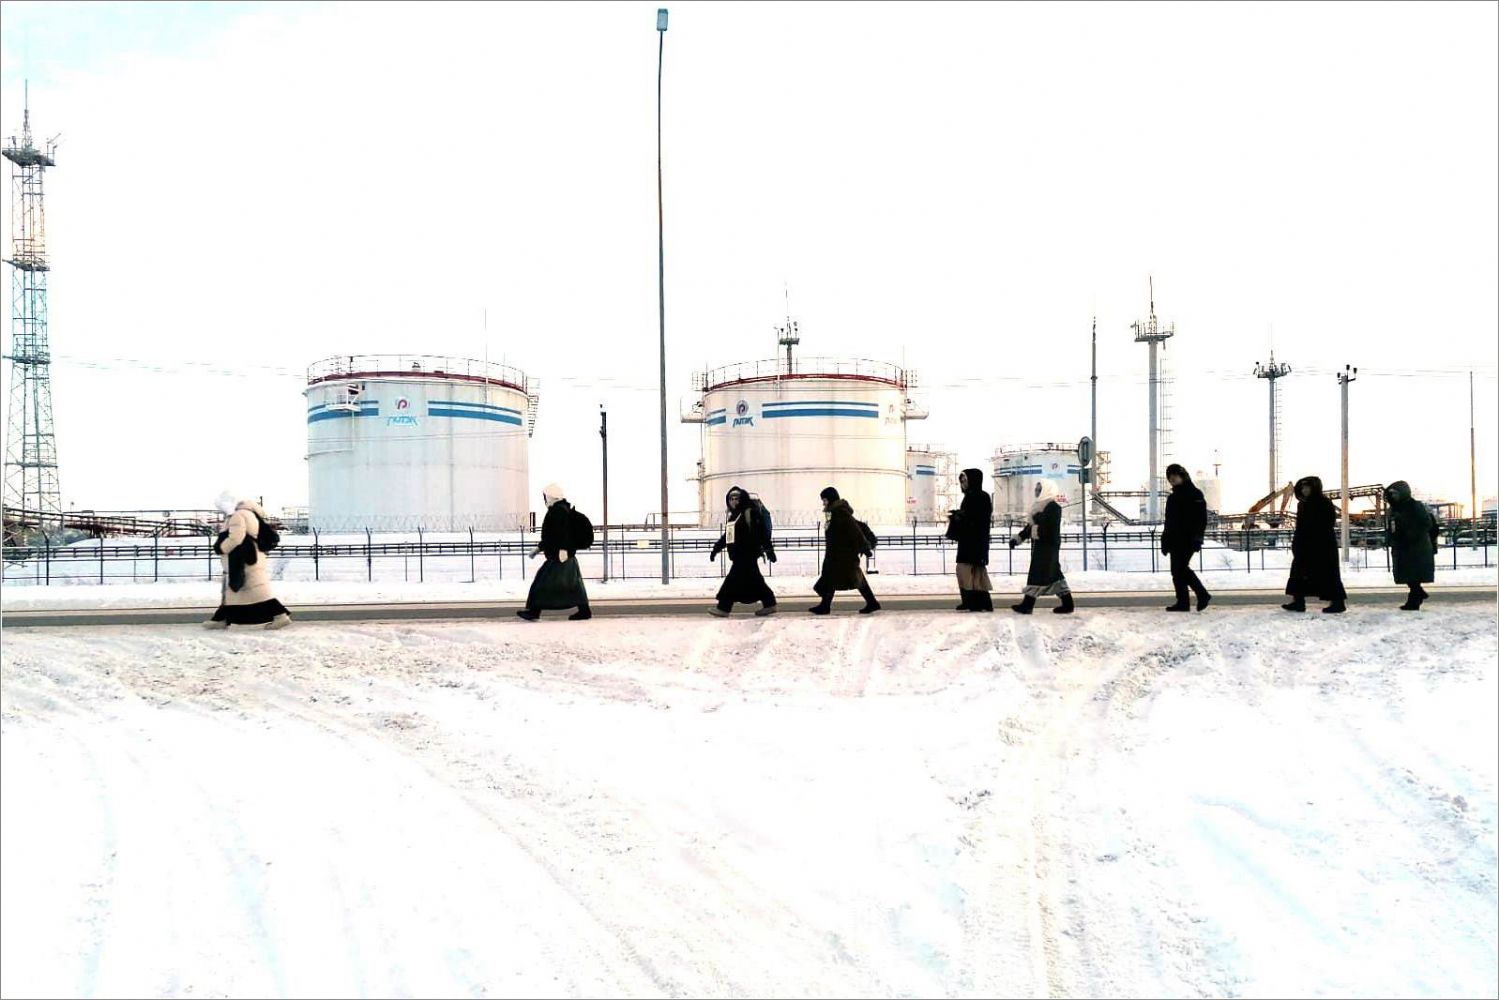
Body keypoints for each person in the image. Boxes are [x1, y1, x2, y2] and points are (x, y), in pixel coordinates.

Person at [204, 490, 291, 629]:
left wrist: (222, 548)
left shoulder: (237, 515)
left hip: (243, 560)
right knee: (236, 591)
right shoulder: (249, 513)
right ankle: (221, 618)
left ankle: (280, 616)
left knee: (256, 592)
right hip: (250, 557)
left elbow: (236, 537)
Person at [517, 483, 591, 621]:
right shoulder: (561, 509)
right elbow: (551, 536)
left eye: (546, 497)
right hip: (564, 556)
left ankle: (534, 611)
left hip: (559, 556)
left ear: (551, 497)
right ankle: (584, 611)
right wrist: (539, 548)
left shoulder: (558, 511)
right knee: (573, 585)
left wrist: (563, 549)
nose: (545, 500)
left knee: (542, 583)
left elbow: (561, 533)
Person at [809, 487, 880, 615]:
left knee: (847, 578)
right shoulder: (834, 512)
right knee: (834, 577)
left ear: (830, 499)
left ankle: (871, 602)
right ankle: (825, 605)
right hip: (837, 553)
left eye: (824, 500)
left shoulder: (840, 513)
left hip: (844, 554)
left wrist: (865, 548)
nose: (823, 503)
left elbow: (855, 531)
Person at [708, 486, 777, 617]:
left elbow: (760, 533)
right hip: (739, 555)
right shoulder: (734, 516)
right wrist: (716, 549)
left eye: (737, 498)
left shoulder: (749, 512)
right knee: (756, 581)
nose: (734, 501)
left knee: (731, 580)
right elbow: (728, 536)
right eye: (731, 499)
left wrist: (769, 550)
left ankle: (723, 607)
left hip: (747, 554)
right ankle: (770, 603)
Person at [1282, 475, 1347, 613]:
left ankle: (1337, 603)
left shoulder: (1324, 503)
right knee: (1298, 573)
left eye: (1307, 487)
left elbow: (1328, 523)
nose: (1304, 490)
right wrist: (1297, 543)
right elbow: (1300, 526)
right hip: (1305, 545)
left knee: (1328, 574)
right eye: (1303, 488)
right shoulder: (1302, 504)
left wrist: (1313, 537)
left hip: (1322, 545)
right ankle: (1298, 601)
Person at [1009, 479, 1073, 614]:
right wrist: (1018, 539)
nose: (1037, 492)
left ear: (1047, 490)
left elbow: (1050, 529)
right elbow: (1030, 527)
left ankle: (1027, 605)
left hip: (1048, 547)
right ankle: (1068, 604)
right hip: (1040, 547)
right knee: (1055, 576)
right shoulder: (1038, 506)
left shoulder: (1054, 507)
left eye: (1039, 490)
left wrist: (1036, 525)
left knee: (1036, 574)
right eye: (1036, 489)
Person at [1161, 463, 1212, 612]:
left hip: (1188, 539)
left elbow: (1201, 519)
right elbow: (1169, 522)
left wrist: (1197, 538)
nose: (1172, 479)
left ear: (1182, 476)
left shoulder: (1194, 494)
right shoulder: (1172, 497)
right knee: (1176, 571)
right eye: (1170, 477)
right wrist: (1165, 540)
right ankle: (1183, 602)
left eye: (1174, 476)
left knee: (1181, 568)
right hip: (1175, 539)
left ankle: (1202, 594)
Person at [1384, 480, 1437, 611]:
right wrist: (1390, 538)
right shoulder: (1394, 509)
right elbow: (1391, 526)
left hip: (1416, 546)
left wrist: (1410, 533)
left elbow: (1426, 523)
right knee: (1407, 574)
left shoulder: (1414, 506)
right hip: (1402, 546)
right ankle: (1417, 594)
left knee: (1412, 574)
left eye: (1395, 493)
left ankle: (1415, 598)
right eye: (1391, 494)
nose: (1393, 496)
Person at [948, 467, 993, 612]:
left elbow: (979, 520)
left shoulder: (981, 497)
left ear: (973, 481)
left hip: (976, 541)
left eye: (965, 480)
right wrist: (959, 516)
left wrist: (961, 517)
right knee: (972, 572)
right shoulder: (970, 497)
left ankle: (975, 602)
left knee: (970, 572)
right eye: (961, 481)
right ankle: (974, 602)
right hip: (969, 541)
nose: (963, 484)